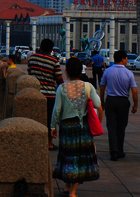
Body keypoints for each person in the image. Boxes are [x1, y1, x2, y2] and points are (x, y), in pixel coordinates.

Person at [51, 57, 102, 197]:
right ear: (81, 70)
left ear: (66, 71)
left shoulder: (61, 88)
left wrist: (52, 127)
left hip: (66, 127)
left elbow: (57, 110)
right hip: (83, 127)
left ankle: (68, 187)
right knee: (79, 157)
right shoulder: (87, 86)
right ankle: (73, 192)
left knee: (67, 156)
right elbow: (97, 103)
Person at [99, 50, 138, 161]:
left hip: (111, 100)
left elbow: (102, 87)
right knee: (121, 127)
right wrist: (135, 105)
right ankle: (120, 150)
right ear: (123, 59)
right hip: (123, 102)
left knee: (111, 127)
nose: (127, 61)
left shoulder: (107, 71)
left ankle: (113, 152)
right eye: (126, 59)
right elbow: (134, 91)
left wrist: (102, 101)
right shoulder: (129, 73)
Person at [29, 38, 63, 149]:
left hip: (35, 93)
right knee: (50, 120)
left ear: (41, 47)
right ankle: (49, 143)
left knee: (35, 118)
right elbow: (59, 78)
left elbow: (30, 73)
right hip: (50, 95)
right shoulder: (53, 60)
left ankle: (35, 140)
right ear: (51, 49)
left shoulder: (33, 58)